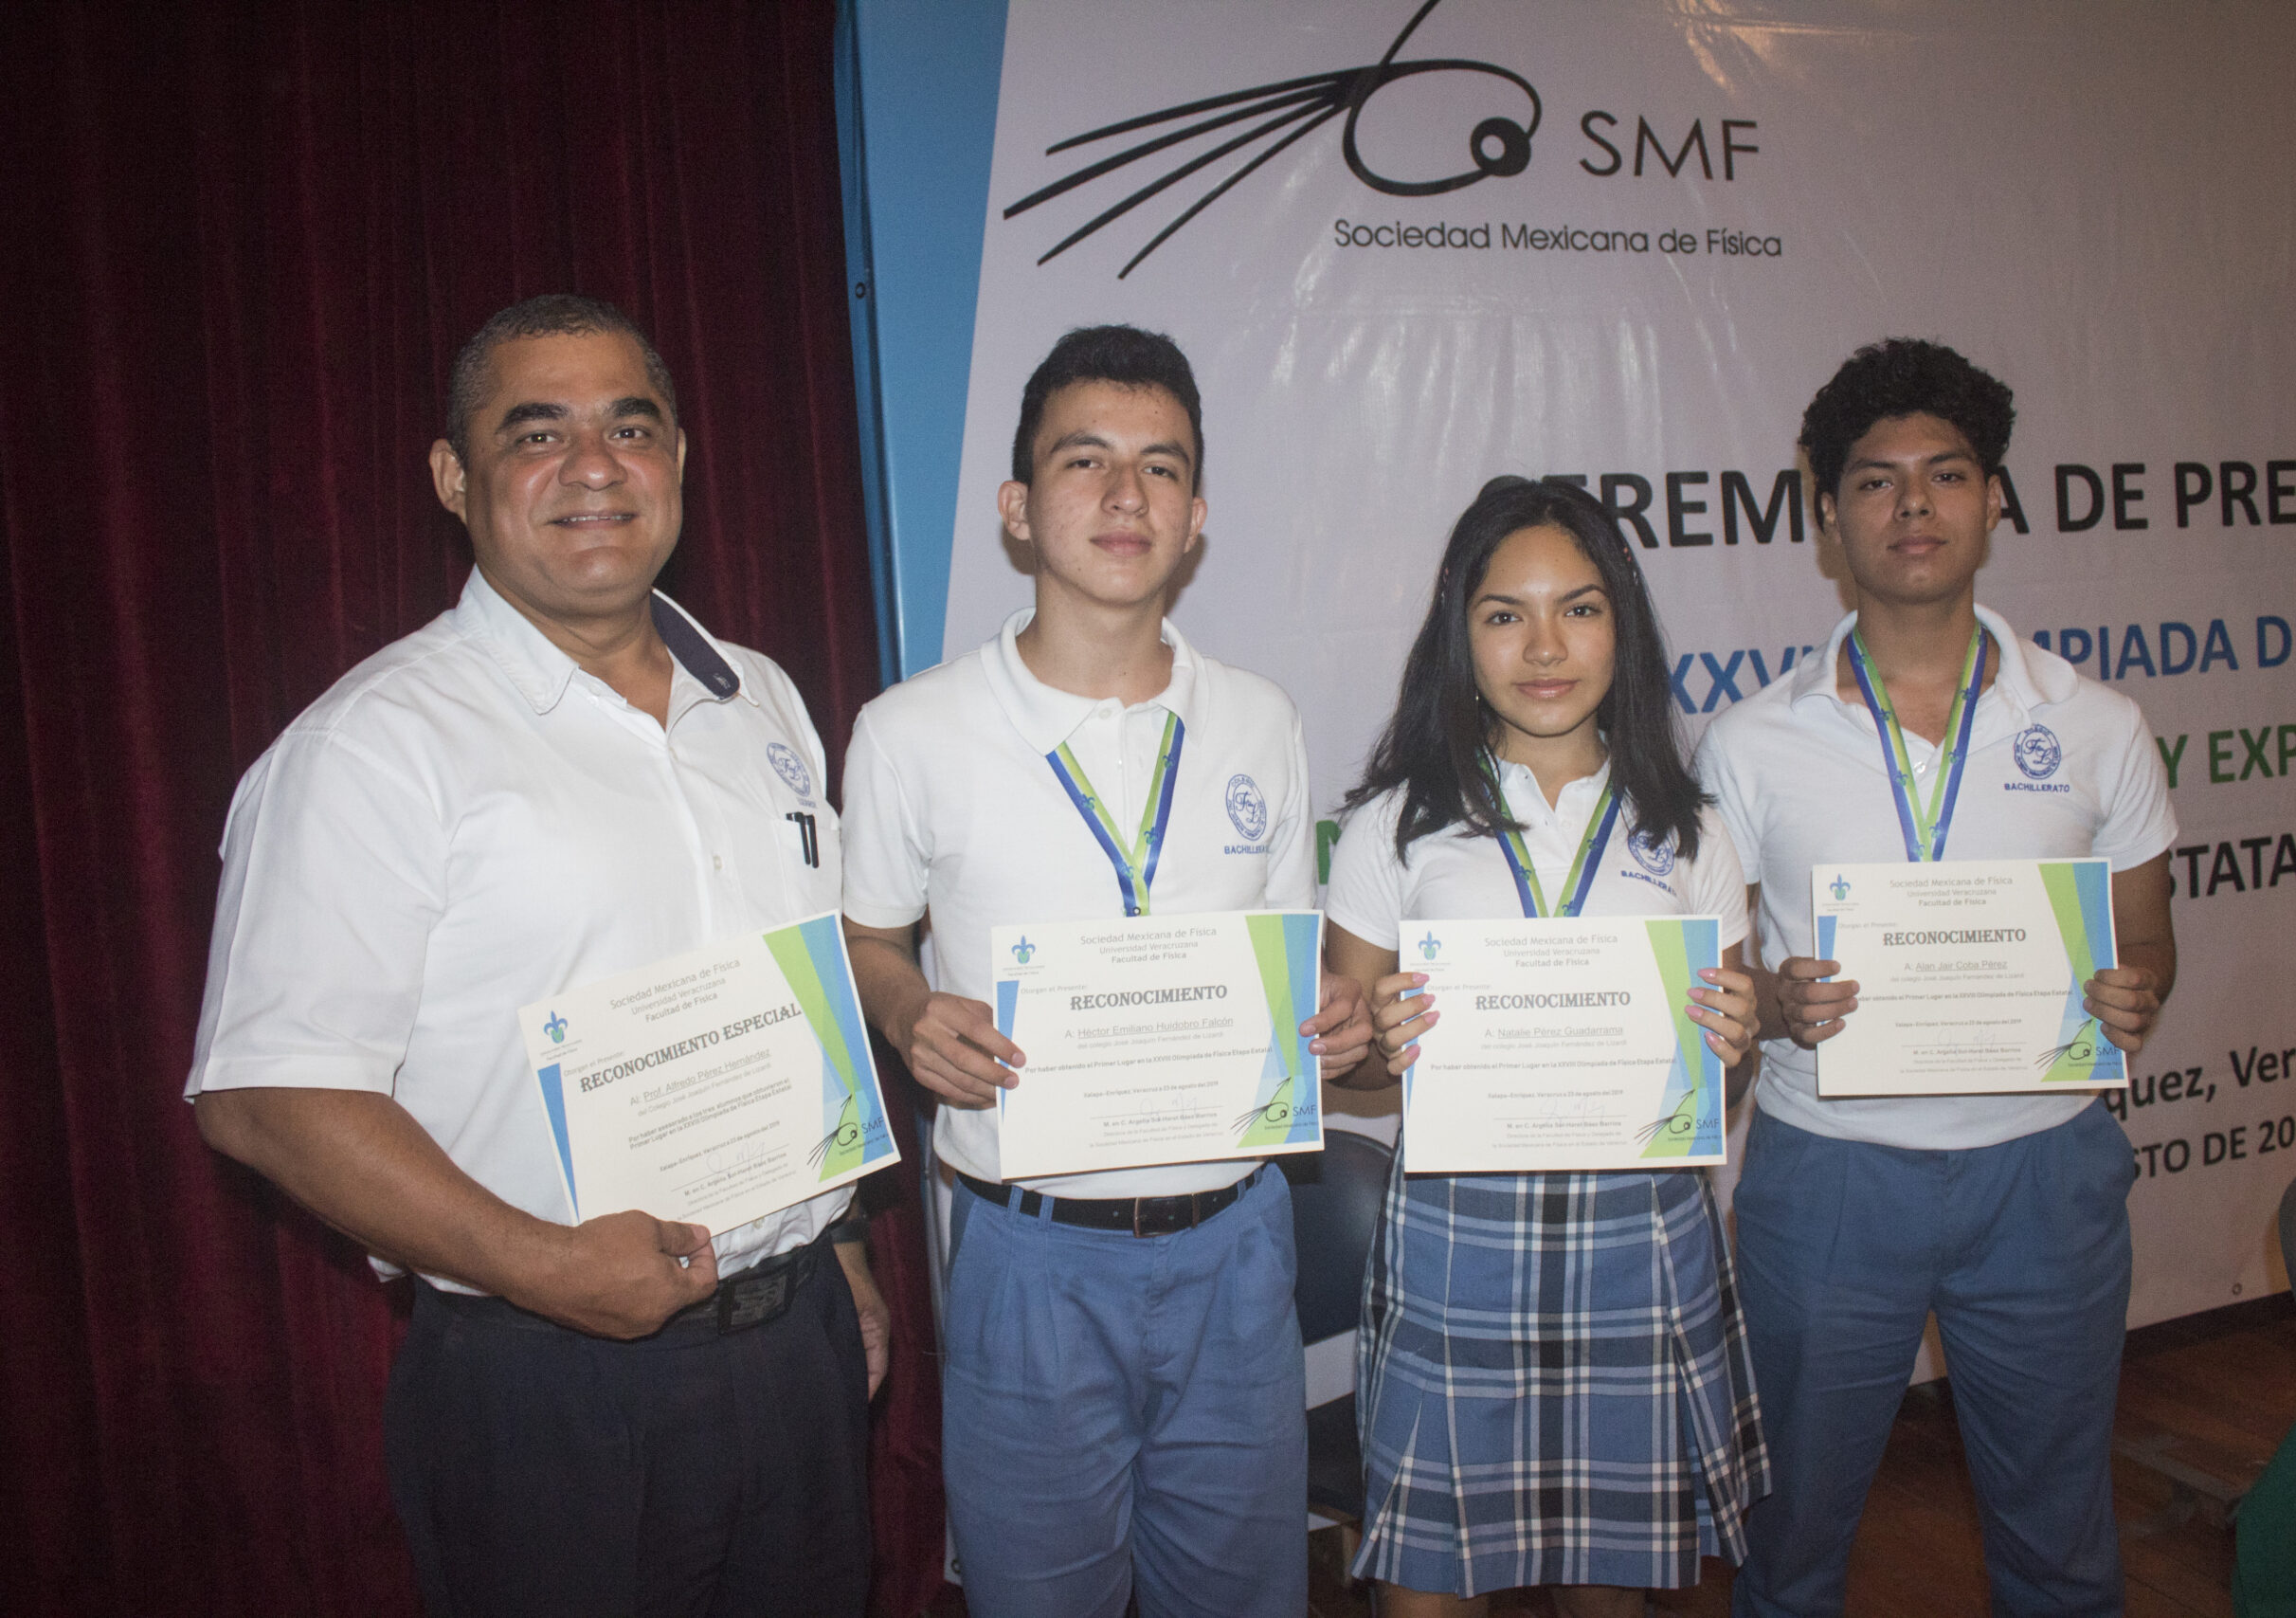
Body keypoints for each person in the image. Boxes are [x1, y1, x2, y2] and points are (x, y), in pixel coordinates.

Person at [186, 294, 886, 1618]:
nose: (594, 466)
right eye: (536, 433)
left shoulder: (764, 698)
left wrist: (841, 1243)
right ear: (454, 479)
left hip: (795, 1343)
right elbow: (264, 1096)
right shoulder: (374, 745)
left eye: (631, 426)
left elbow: (800, 993)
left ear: (679, 456)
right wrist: (545, 1264)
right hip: (545, 1383)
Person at [839, 324, 1372, 1618]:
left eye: (1161, 466)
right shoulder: (910, 729)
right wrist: (906, 1013)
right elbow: (865, 940)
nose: (1126, 495)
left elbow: (1287, 958)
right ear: (1018, 507)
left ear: (1196, 517)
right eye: (1085, 460)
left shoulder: (1260, 716)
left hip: (1238, 1241)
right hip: (1030, 1256)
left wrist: (1333, 1020)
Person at [1697, 338, 2178, 1618]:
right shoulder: (1750, 741)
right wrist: (1778, 1001)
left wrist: (2132, 990)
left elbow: (2147, 938)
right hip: (1829, 1174)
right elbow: (1716, 982)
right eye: (1876, 480)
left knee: (2061, 1539)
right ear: (1827, 516)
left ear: (1994, 499)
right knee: (1790, 1546)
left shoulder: (2097, 723)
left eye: (1946, 474)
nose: (1913, 505)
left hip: (2045, 1172)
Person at [1324, 477, 1772, 1618]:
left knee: (1606, 1593)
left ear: (1622, 623)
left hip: (1639, 1247)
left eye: (1577, 608)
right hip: (1456, 1250)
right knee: (1425, 1590)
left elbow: (1722, 1078)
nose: (1542, 648)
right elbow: (1355, 1062)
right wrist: (1374, 1044)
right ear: (1458, 630)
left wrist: (1734, 1040)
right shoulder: (1393, 824)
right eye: (1503, 614)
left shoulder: (1691, 828)